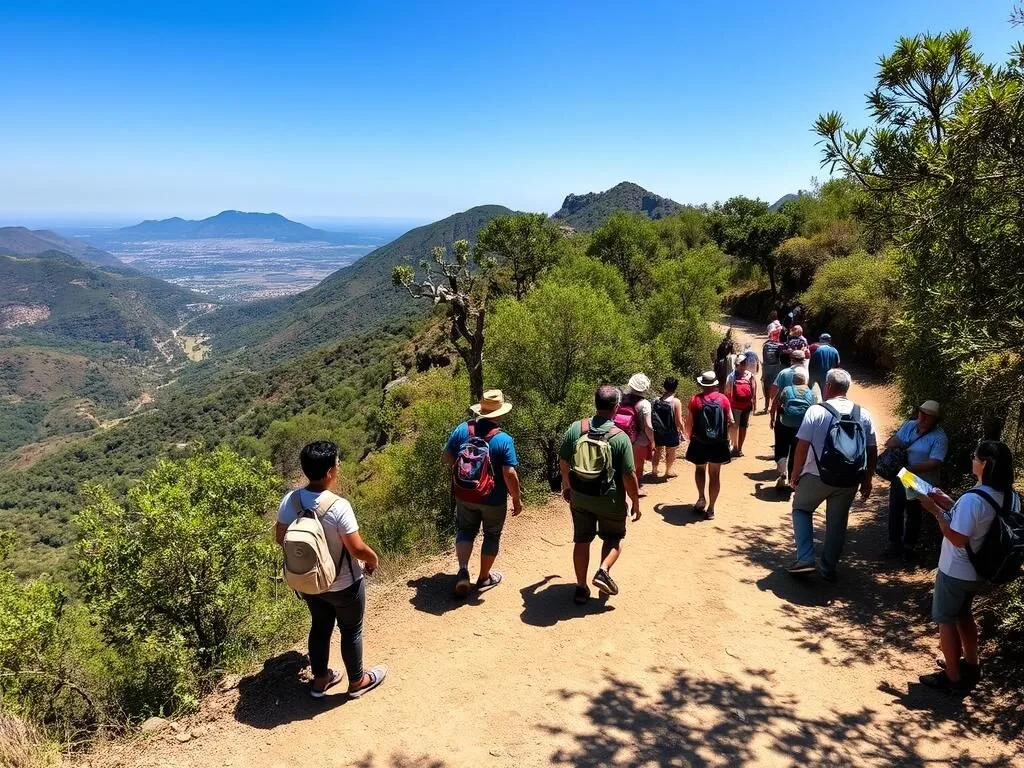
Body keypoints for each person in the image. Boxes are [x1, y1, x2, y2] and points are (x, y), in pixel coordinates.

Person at [276, 441, 388, 699]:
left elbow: (280, 538)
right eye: (337, 464)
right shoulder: (338, 506)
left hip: (309, 582)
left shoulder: (290, 501)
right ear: (329, 472)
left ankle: (320, 680)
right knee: (351, 629)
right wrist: (373, 559)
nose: (338, 467)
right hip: (344, 584)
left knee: (319, 626)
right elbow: (357, 548)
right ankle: (358, 681)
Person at [917, 440, 1019, 692]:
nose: (972, 459)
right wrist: (948, 503)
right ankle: (971, 664)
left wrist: (935, 512)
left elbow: (957, 537)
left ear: (985, 464)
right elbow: (979, 525)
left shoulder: (974, 499)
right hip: (981, 570)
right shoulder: (1011, 496)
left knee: (946, 621)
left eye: (975, 457)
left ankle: (952, 676)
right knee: (964, 615)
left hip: (955, 570)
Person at [786, 369, 877, 581]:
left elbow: (802, 445)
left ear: (827, 387)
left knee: (801, 509)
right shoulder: (863, 414)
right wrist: (867, 479)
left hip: (816, 476)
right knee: (837, 521)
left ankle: (806, 558)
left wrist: (795, 473)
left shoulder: (816, 411)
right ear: (847, 388)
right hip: (849, 479)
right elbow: (872, 449)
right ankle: (828, 567)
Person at [559, 386, 641, 605]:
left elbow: (564, 460)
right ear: (616, 408)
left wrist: (567, 486)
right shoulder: (620, 437)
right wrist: (635, 502)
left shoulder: (576, 429)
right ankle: (603, 570)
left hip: (580, 496)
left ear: (595, 404)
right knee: (614, 538)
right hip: (609, 499)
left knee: (582, 540)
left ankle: (580, 588)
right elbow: (628, 475)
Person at [443, 390, 522, 597]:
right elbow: (509, 473)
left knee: (465, 530)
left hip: (464, 494)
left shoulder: (463, 430)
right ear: (500, 414)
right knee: (492, 535)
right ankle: (484, 577)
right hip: (493, 499)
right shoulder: (504, 439)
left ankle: (462, 571)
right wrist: (516, 498)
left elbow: (446, 459)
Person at [881, 400, 948, 561]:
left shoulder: (939, 437)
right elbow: (896, 441)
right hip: (901, 476)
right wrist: (892, 444)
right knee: (895, 510)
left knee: (913, 513)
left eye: (928, 415)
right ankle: (894, 545)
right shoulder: (910, 425)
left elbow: (935, 462)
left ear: (935, 419)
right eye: (921, 412)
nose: (923, 417)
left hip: (920, 480)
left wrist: (910, 469)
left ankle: (908, 547)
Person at [685, 371, 734, 520]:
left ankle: (701, 498)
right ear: (715, 384)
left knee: (700, 469)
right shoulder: (723, 400)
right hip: (718, 443)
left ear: (702, 385)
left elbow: (689, 423)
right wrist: (727, 438)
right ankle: (711, 508)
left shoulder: (695, 400)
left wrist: (690, 437)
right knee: (715, 474)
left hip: (699, 441)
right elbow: (731, 421)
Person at [769, 366, 818, 491]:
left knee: (781, 447)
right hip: (802, 428)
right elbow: (815, 412)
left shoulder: (786, 390)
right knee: (796, 452)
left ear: (793, 379)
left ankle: (782, 472)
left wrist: (772, 418)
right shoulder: (812, 394)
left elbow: (775, 403)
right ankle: (792, 480)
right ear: (806, 380)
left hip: (784, 424)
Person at [619, 373, 655, 495]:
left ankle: (621, 487)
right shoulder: (645, 404)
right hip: (639, 440)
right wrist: (652, 441)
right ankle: (636, 488)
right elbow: (648, 426)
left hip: (621, 436)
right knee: (638, 467)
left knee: (622, 464)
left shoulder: (622, 399)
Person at [651, 377, 685, 480]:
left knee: (657, 450)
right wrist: (682, 429)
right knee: (671, 451)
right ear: (675, 388)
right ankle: (669, 471)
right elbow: (678, 420)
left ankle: (654, 470)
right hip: (671, 431)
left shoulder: (657, 400)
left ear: (664, 386)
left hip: (658, 431)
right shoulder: (676, 401)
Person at [725, 354, 757, 457]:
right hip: (746, 406)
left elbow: (727, 391)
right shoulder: (750, 375)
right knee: (743, 427)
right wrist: (754, 404)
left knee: (735, 427)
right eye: (743, 363)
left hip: (735, 405)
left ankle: (735, 447)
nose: (743, 365)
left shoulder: (731, 376)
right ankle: (739, 449)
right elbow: (753, 390)